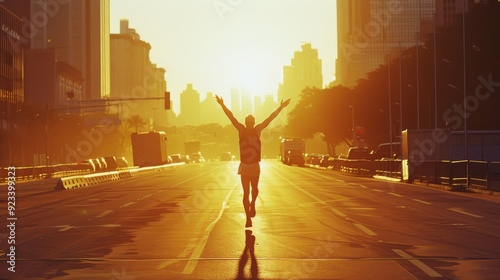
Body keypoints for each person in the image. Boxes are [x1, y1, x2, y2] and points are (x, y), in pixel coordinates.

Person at [215, 95, 291, 227]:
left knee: (249, 191)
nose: (250, 122)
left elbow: (231, 117)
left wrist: (222, 104)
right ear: (251, 122)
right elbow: (269, 119)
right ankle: (250, 210)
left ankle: (250, 210)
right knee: (252, 190)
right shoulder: (253, 129)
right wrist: (281, 107)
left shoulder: (245, 129)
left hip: (247, 165)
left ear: (248, 122)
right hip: (250, 165)